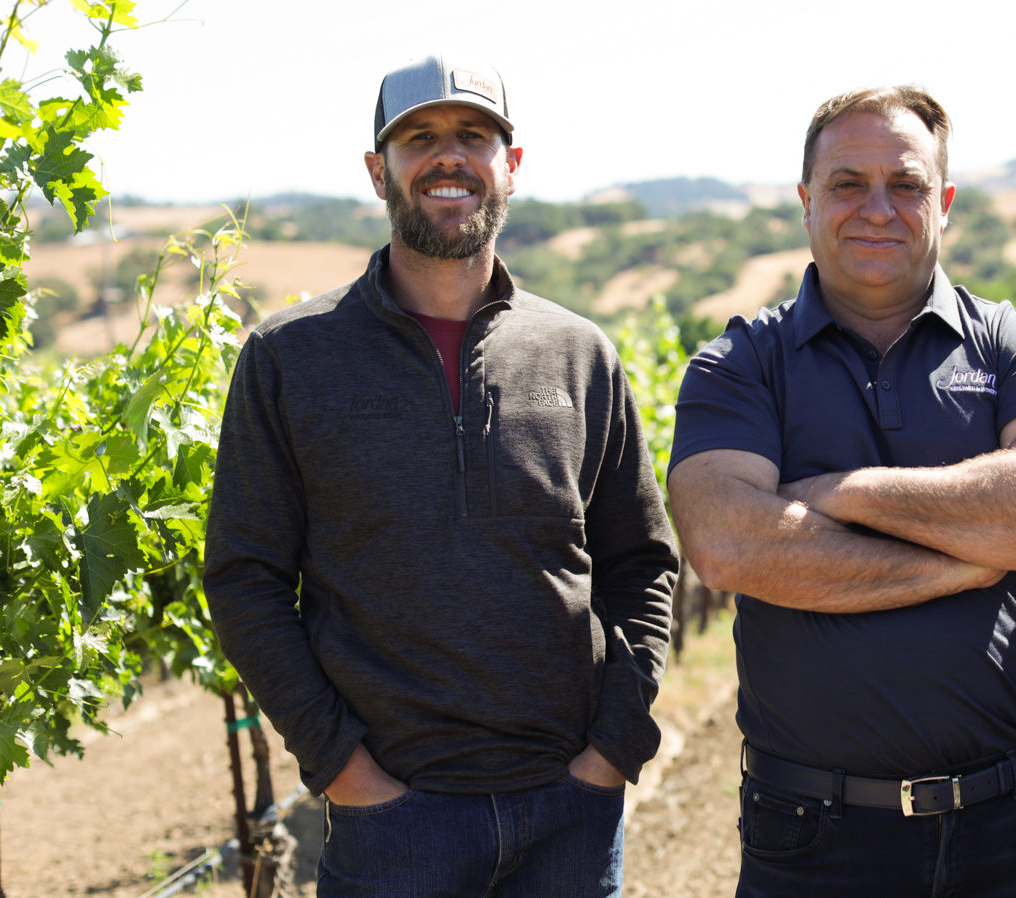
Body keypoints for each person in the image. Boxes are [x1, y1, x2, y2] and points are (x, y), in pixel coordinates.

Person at [204, 55, 677, 896]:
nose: (448, 158)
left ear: (512, 166)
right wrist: (344, 770)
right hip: (392, 827)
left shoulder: (580, 355)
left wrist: (613, 751)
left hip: (569, 813)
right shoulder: (288, 360)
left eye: (474, 137)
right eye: (419, 138)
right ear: (377, 169)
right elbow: (246, 581)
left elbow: (641, 563)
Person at [667, 86, 1016, 897]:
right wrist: (972, 555)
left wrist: (839, 492)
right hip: (810, 836)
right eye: (847, 183)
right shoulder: (740, 364)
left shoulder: (1015, 346)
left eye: (906, 185)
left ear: (943, 203)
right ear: (806, 203)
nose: (878, 208)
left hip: (1008, 824)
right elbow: (726, 541)